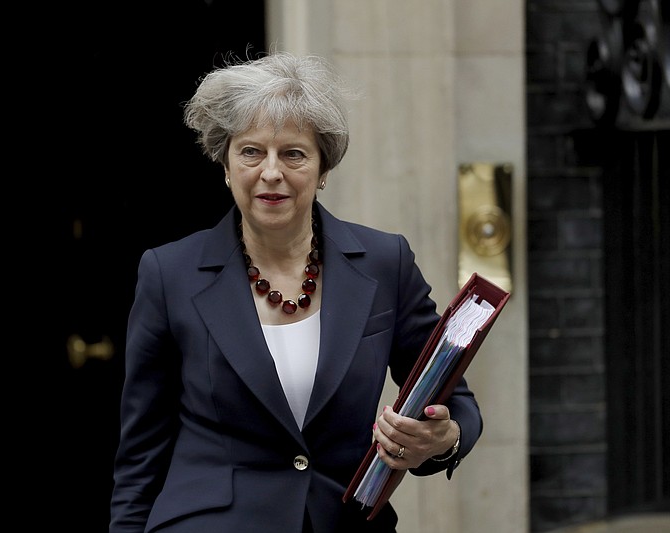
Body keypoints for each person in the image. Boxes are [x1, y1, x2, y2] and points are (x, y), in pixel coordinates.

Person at [109, 51, 482, 533]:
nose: (271, 172)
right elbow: (141, 454)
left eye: (293, 153)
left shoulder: (386, 262)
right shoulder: (169, 273)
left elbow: (458, 400)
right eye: (251, 151)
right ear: (225, 164)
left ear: (323, 169)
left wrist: (443, 437)